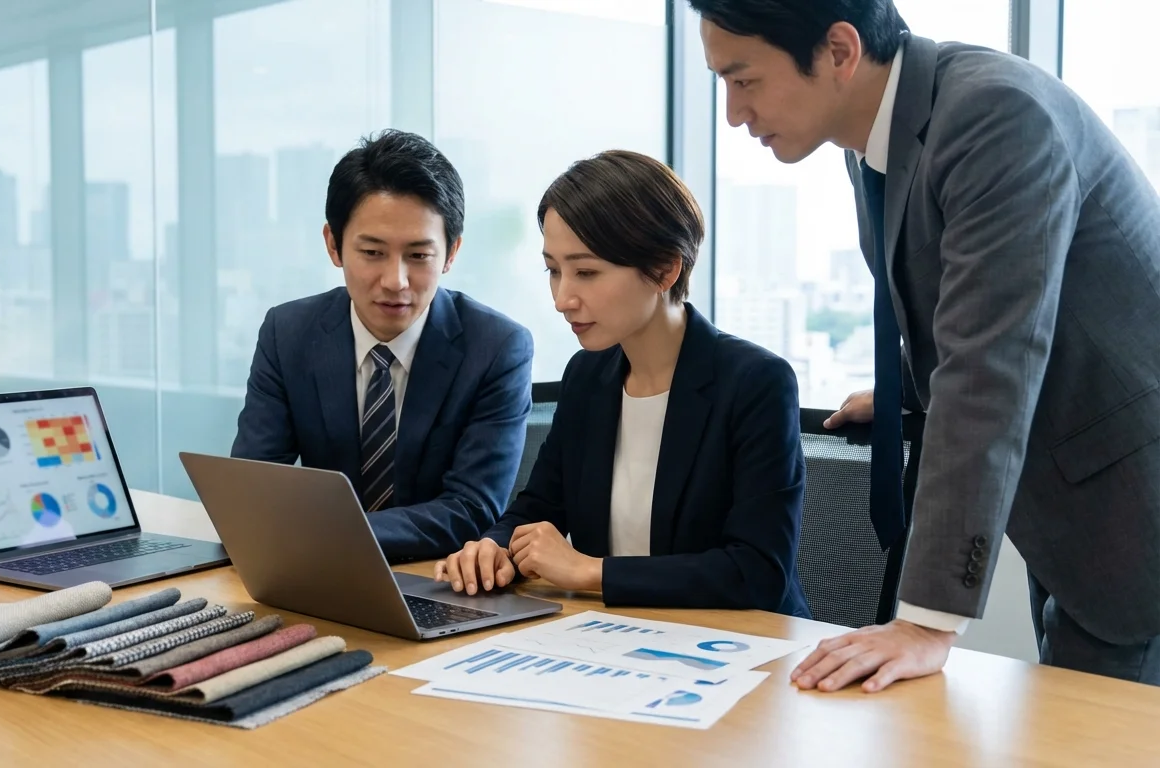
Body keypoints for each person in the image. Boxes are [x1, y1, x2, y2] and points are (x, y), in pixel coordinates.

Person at [691, 0, 1160, 690]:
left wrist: (927, 620)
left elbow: (989, 369)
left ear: (840, 52)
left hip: (1133, 516)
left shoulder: (996, 115)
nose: (733, 113)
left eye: (744, 80)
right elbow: (968, 308)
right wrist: (911, 388)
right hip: (1075, 518)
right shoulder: (879, 143)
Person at [435, 150, 810, 617]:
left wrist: (592, 571)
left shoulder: (755, 383)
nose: (562, 298)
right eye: (554, 269)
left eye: (586, 272)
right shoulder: (588, 376)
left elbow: (758, 573)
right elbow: (538, 507)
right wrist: (492, 547)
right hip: (616, 638)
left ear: (665, 269)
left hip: (742, 649)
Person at [231, 129, 534, 563]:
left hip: (440, 581)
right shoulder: (289, 332)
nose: (396, 281)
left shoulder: (497, 347)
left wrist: (327, 534)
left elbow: (471, 509)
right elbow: (253, 483)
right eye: (372, 252)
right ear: (333, 245)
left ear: (451, 253)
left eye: (418, 255)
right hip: (314, 575)